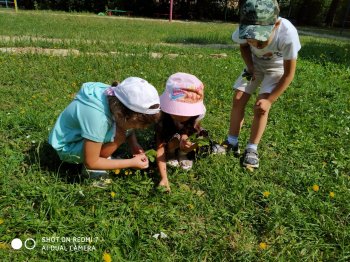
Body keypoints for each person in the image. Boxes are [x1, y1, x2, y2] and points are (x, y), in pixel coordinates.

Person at [222, 0, 301, 168]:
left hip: (277, 68)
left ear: (276, 23)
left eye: (260, 37)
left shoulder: (288, 34)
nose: (255, 43)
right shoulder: (244, 30)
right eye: (250, 37)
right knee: (238, 99)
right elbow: (244, 47)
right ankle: (231, 142)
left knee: (260, 106)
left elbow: (289, 74)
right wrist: (250, 66)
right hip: (255, 64)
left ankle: (252, 148)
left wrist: (269, 100)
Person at [48, 77, 161, 174]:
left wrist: (134, 144)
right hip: (67, 147)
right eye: (136, 125)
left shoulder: (114, 95)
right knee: (119, 135)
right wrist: (130, 163)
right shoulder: (98, 118)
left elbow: (127, 124)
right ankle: (94, 171)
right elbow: (91, 162)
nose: (139, 128)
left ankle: (102, 155)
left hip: (76, 135)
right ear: (121, 114)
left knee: (122, 130)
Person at [156, 72, 207, 191]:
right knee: (171, 140)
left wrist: (185, 137)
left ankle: (183, 153)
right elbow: (159, 147)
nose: (181, 116)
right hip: (168, 132)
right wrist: (164, 177)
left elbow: (190, 127)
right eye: (177, 111)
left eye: (186, 113)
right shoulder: (162, 117)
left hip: (186, 132)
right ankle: (171, 152)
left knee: (199, 139)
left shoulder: (196, 116)